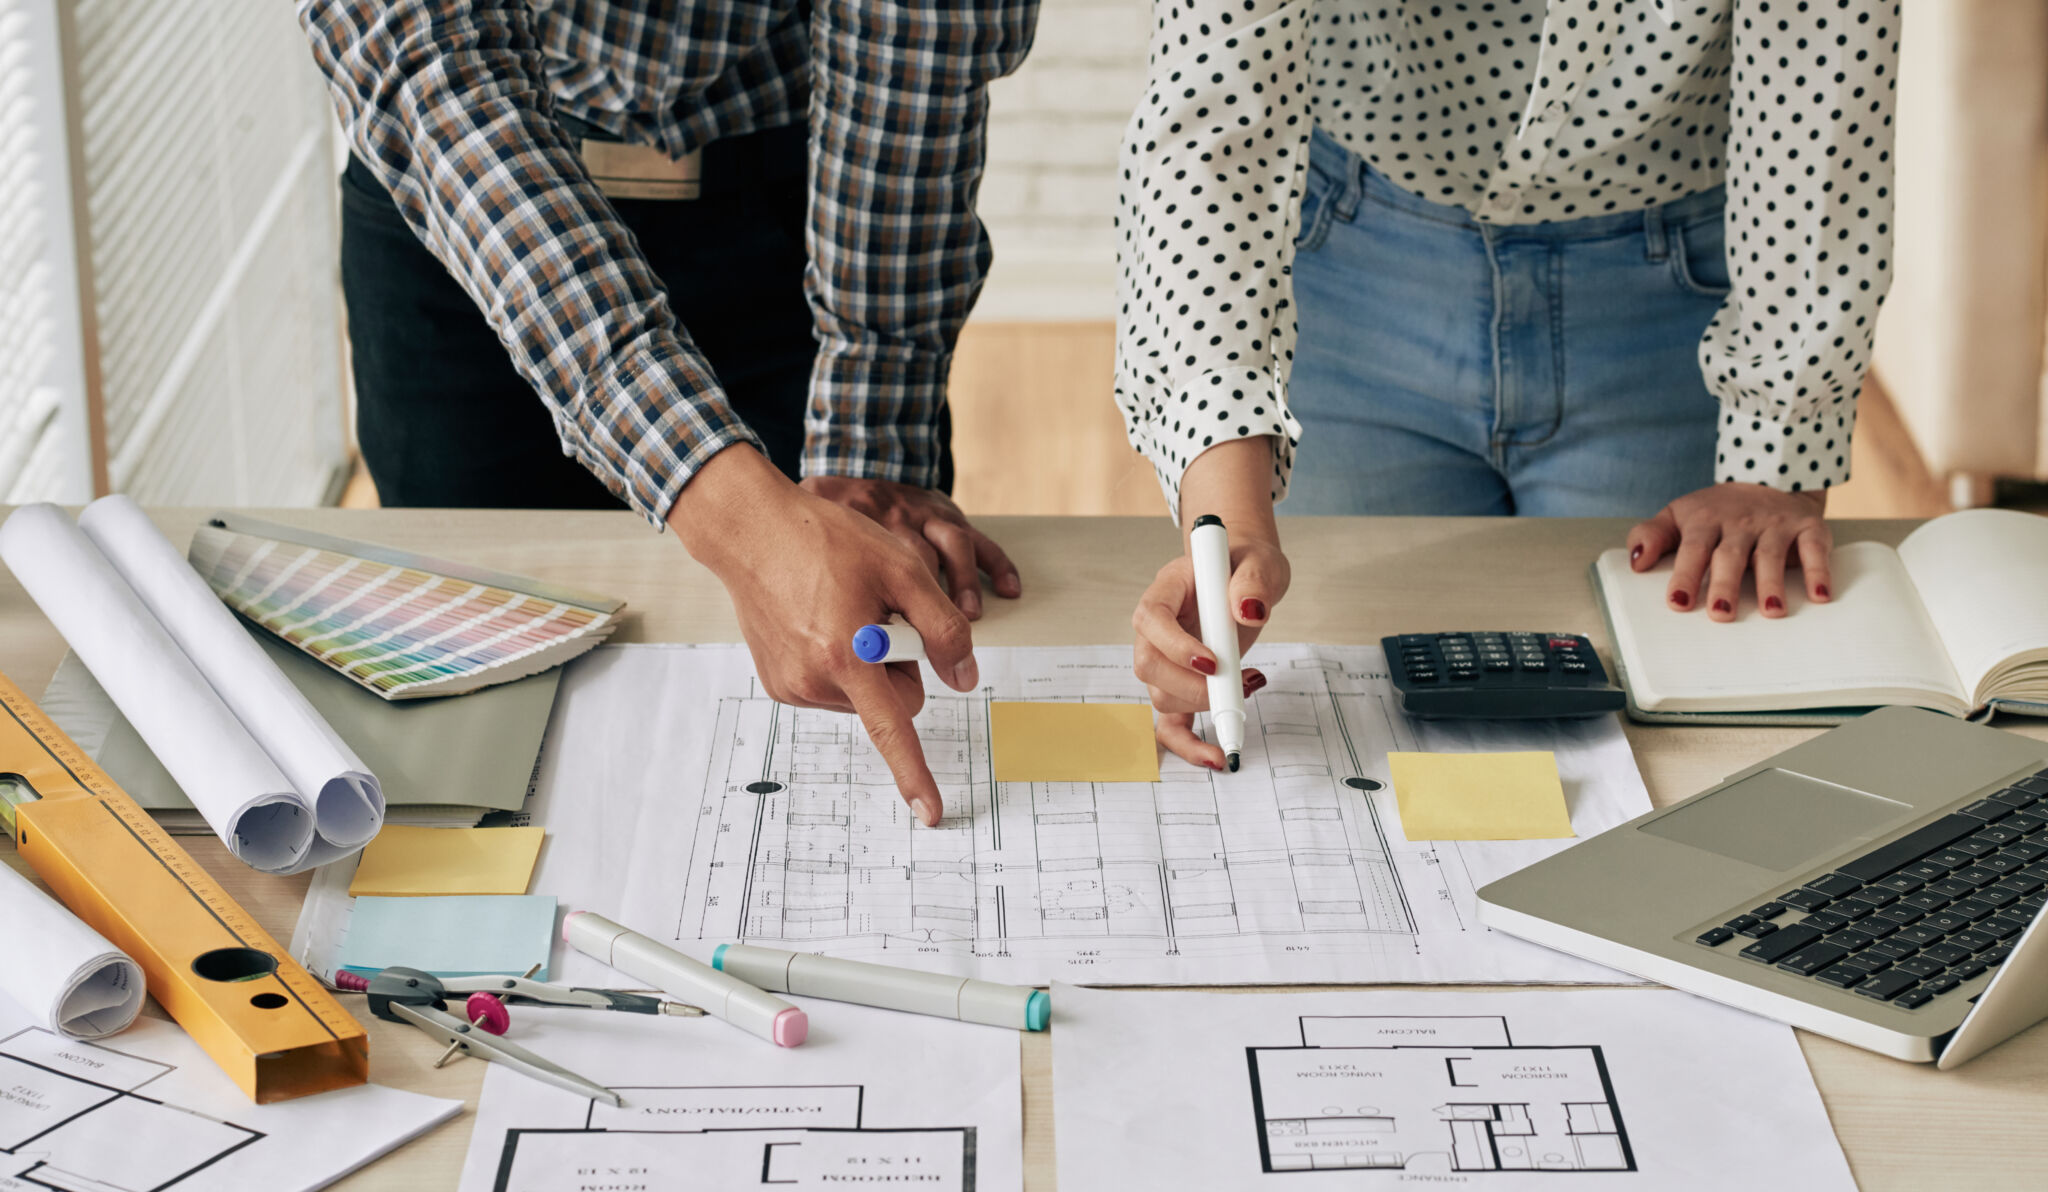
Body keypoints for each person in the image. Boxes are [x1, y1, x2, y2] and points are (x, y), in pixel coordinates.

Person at [298, 0, 1037, 825]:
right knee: (467, 705)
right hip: (470, 195)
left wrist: (868, 440)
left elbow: (916, 37)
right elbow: (423, 48)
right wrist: (736, 514)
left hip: (810, 201)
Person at [1119, 1, 1900, 758]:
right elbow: (1211, 110)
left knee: (1666, 739)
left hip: (1672, 303)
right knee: (1365, 720)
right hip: (1356, 268)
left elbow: (1821, 88)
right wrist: (1231, 521)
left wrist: (1774, 454)